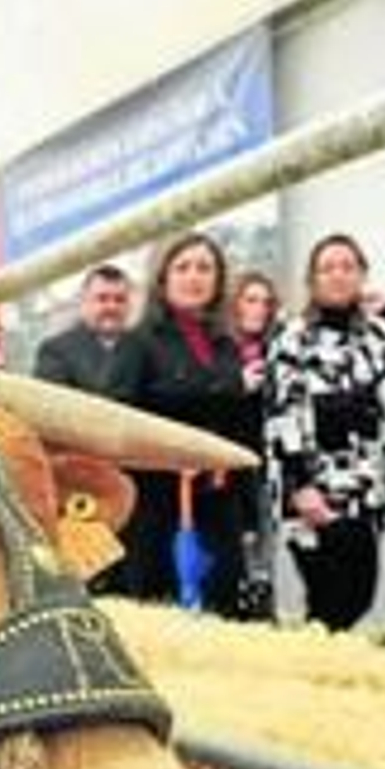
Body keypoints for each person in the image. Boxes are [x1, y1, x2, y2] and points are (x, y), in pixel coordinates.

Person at [267, 235, 385, 631]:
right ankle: (308, 668)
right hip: (313, 488)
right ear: (312, 280)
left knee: (357, 598)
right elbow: (280, 413)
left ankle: (318, 665)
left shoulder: (378, 334)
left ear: (362, 275)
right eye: (327, 268)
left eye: (348, 266)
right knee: (331, 602)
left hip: (365, 488)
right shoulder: (292, 336)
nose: (338, 275)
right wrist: (300, 486)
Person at [121, 232, 260, 616]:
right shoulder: (139, 342)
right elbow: (127, 414)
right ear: (163, 278)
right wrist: (227, 385)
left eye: (204, 268)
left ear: (218, 279)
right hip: (159, 501)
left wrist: (249, 510)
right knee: (161, 608)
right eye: (182, 267)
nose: (194, 276)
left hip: (219, 498)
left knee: (224, 606)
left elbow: (239, 426)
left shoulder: (227, 344)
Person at [226, 270, 283, 619]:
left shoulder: (278, 348)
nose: (259, 309)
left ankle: (262, 610)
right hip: (229, 463)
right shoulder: (221, 351)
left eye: (266, 302)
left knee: (264, 547)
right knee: (235, 544)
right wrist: (238, 384)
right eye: (251, 300)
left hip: (266, 464)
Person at [33, 264, 138, 401]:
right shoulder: (56, 351)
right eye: (102, 298)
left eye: (120, 300)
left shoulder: (143, 349)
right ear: (84, 302)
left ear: (129, 305)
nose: (112, 307)